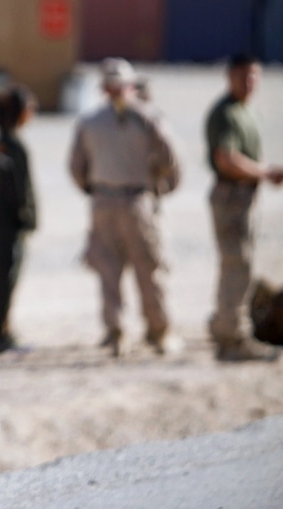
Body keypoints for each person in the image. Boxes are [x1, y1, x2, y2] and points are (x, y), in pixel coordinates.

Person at [69, 57, 182, 358]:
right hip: (136, 202)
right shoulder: (147, 117)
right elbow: (170, 157)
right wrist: (160, 185)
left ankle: (116, 332)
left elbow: (76, 167)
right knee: (149, 269)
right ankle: (159, 332)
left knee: (109, 270)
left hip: (103, 202)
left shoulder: (90, 121)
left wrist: (94, 190)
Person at [204, 53, 283, 361]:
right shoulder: (225, 113)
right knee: (236, 265)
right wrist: (266, 172)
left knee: (242, 265)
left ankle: (226, 325)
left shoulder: (247, 111)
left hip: (246, 195)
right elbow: (226, 159)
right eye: (243, 75)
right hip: (231, 196)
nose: (249, 82)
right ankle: (232, 338)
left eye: (254, 75)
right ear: (230, 76)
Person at [0, 84, 37, 354]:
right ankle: (0, 338)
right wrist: (25, 217)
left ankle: (3, 333)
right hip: (8, 225)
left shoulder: (7, 142)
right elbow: (16, 188)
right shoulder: (8, 144)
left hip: (5, 223)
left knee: (5, 280)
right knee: (3, 281)